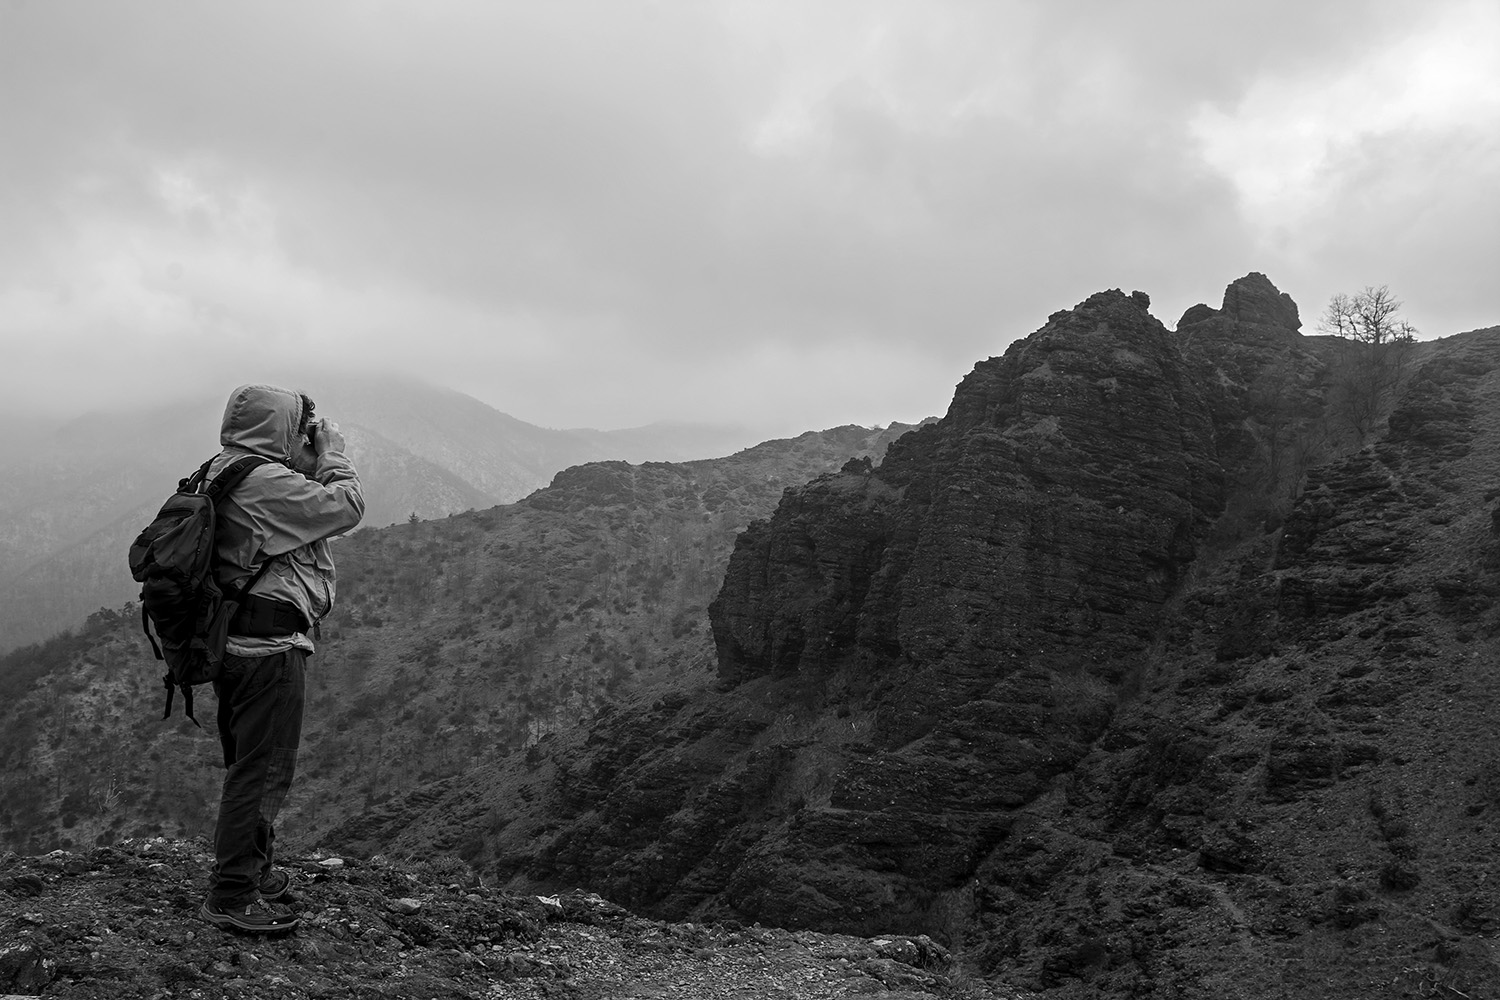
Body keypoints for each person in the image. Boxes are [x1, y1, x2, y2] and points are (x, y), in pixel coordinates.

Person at [197, 384, 364, 933]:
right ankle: (233, 894)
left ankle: (256, 870)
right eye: (300, 428)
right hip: (268, 650)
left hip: (234, 642)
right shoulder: (264, 480)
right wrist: (333, 454)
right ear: (281, 431)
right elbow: (345, 506)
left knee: (251, 762)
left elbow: (288, 515)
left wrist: (307, 459)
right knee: (262, 771)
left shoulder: (225, 469)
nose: (306, 437)